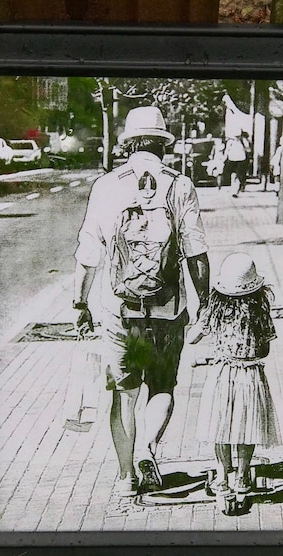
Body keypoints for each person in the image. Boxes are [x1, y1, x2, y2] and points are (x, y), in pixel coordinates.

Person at [73, 106, 210, 497]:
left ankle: (125, 477)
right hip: (168, 311)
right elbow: (196, 253)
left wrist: (80, 304)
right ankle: (149, 448)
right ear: (163, 146)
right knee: (162, 385)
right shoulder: (179, 185)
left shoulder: (107, 186)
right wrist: (204, 307)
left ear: (128, 144)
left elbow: (89, 253)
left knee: (125, 393)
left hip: (122, 313)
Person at [189, 252, 280, 498]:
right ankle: (242, 476)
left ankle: (221, 477)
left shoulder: (215, 309)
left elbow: (192, 338)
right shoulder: (260, 308)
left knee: (220, 425)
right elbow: (266, 348)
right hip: (251, 375)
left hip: (221, 373)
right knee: (247, 425)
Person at [225, 131, 250, 197]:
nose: (237, 138)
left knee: (239, 175)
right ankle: (233, 189)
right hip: (232, 159)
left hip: (241, 160)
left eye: (238, 136)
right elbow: (226, 150)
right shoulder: (230, 142)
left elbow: (248, 149)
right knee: (233, 175)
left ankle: (236, 191)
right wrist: (224, 158)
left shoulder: (243, 141)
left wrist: (245, 147)